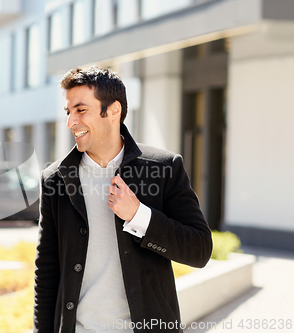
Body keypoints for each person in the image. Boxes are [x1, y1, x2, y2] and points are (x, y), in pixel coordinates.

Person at [33, 67, 212, 333]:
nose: (71, 122)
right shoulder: (56, 178)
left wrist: (139, 215)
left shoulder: (163, 168)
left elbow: (199, 250)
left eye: (81, 110)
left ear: (113, 110)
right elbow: (47, 271)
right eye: (68, 112)